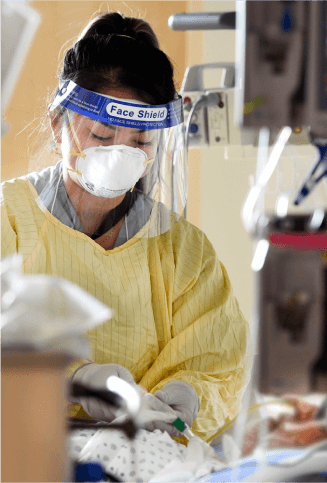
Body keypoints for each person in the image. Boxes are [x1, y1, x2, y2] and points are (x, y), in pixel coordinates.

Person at [0, 11, 252, 443]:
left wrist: (191, 396)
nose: (121, 154)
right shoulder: (9, 219)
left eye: (140, 143)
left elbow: (218, 367)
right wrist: (72, 379)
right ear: (58, 122)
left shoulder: (183, 253)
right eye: (101, 136)